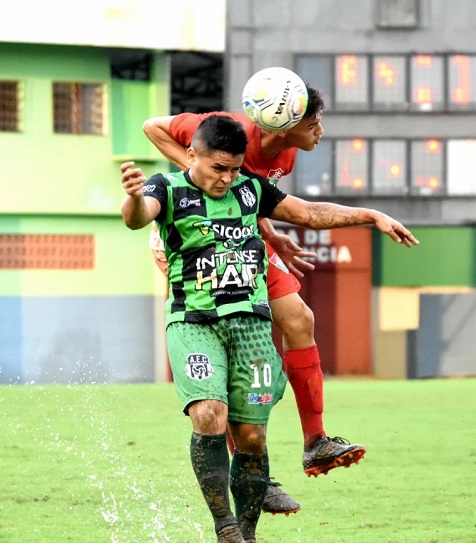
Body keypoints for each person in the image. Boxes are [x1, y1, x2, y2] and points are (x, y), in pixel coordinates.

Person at [121, 115, 417, 543]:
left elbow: (309, 214)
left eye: (234, 169)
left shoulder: (252, 190)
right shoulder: (165, 189)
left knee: (253, 437)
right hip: (195, 324)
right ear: (191, 155)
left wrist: (371, 216)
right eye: (217, 168)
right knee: (208, 415)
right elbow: (136, 218)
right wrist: (131, 199)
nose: (226, 179)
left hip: (251, 328)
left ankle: (247, 532)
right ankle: (225, 527)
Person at [143, 84, 375, 515]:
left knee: (299, 319)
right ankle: (255, 477)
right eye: (314, 122)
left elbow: (254, 198)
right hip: (193, 239)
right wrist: (199, 176)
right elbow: (152, 127)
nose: (320, 130)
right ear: (286, 123)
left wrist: (266, 230)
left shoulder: (284, 154)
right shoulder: (227, 131)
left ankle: (315, 441)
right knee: (226, 352)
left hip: (243, 239)